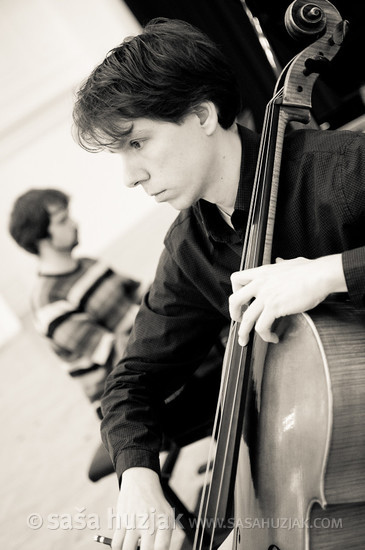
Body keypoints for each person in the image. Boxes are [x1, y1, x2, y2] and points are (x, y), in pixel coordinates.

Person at [72, 18, 365, 550]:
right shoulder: (191, 247)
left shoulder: (341, 171)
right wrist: (138, 476)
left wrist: (331, 273)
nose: (129, 176)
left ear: (203, 115)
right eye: (120, 153)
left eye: (137, 142)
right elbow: (131, 379)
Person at [8, 188, 144, 419]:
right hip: (131, 401)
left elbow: (146, 294)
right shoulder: (48, 303)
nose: (74, 223)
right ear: (39, 238)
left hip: (155, 363)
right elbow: (122, 354)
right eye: (63, 220)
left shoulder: (89, 263)